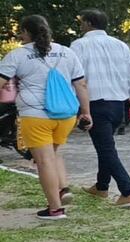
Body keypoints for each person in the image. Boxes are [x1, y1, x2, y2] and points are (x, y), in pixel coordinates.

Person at [0, 15, 92, 220]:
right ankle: (62, 189)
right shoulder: (67, 52)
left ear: (26, 31)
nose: (20, 36)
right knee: (53, 155)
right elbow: (81, 85)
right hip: (66, 116)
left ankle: (55, 209)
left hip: (35, 116)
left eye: (21, 32)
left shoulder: (17, 56)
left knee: (44, 162)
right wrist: (86, 112)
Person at [70, 9, 130, 208]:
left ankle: (128, 191)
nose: (80, 25)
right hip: (117, 103)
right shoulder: (119, 45)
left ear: (88, 23)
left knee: (106, 149)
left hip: (94, 103)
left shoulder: (79, 45)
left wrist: (72, 104)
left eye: (82, 22)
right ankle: (101, 186)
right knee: (106, 146)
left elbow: (75, 77)